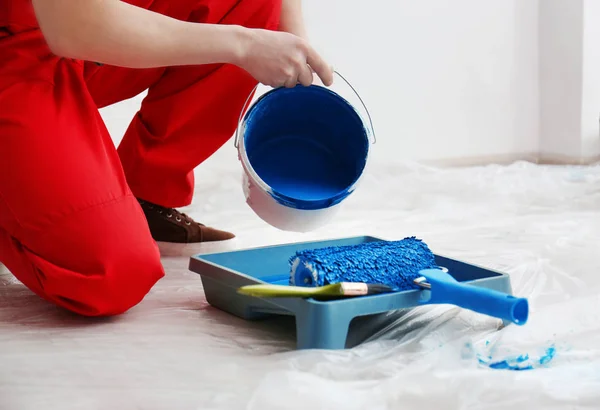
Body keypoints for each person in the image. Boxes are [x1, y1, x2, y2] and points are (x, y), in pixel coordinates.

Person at [0, 0, 333, 316]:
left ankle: (146, 196)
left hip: (69, 27)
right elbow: (71, 28)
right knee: (111, 273)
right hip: (30, 41)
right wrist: (244, 45)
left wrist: (293, 47)